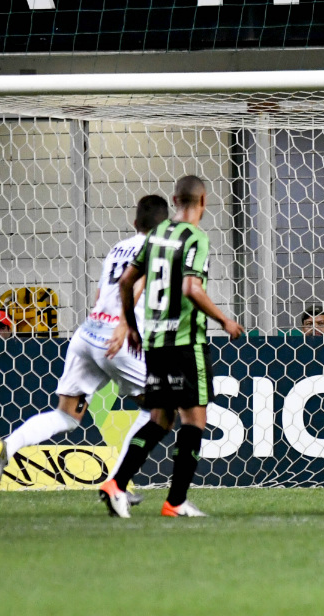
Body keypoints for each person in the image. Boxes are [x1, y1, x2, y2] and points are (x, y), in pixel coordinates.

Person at [0, 195, 169, 496]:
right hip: (118, 338)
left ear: (134, 222)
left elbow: (101, 294)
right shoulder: (158, 250)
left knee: (66, 416)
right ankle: (116, 485)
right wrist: (124, 324)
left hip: (88, 332)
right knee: (158, 411)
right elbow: (135, 284)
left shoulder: (117, 248)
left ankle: (5, 447)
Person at [98, 175, 244, 518]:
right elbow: (192, 288)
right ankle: (175, 501)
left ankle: (116, 483)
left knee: (161, 419)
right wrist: (224, 320)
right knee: (194, 420)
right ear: (203, 201)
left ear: (175, 200)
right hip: (185, 342)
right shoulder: (196, 237)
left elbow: (126, 281)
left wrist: (131, 326)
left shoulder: (157, 234)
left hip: (155, 341)